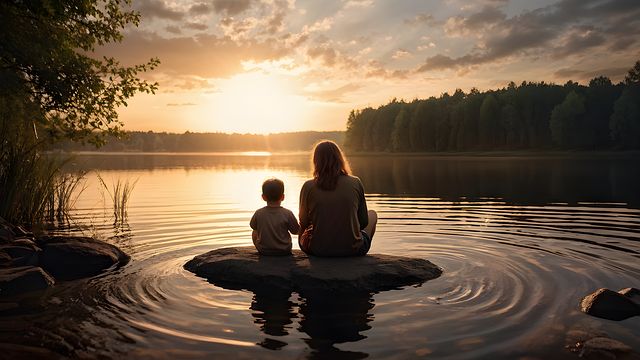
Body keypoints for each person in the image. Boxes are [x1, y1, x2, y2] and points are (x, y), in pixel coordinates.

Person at [298, 140, 377, 257]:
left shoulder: (308, 186)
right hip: (353, 251)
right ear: (340, 159)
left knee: (306, 229)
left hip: (318, 251)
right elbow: (363, 222)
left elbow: (303, 222)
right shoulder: (356, 182)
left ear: (316, 161)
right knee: (372, 214)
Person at [250, 178, 300, 255]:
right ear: (282, 197)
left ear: (263, 197)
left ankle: (261, 246)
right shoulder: (288, 213)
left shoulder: (258, 213)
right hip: (284, 251)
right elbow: (296, 231)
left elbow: (253, 227)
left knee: (255, 230)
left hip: (264, 251)